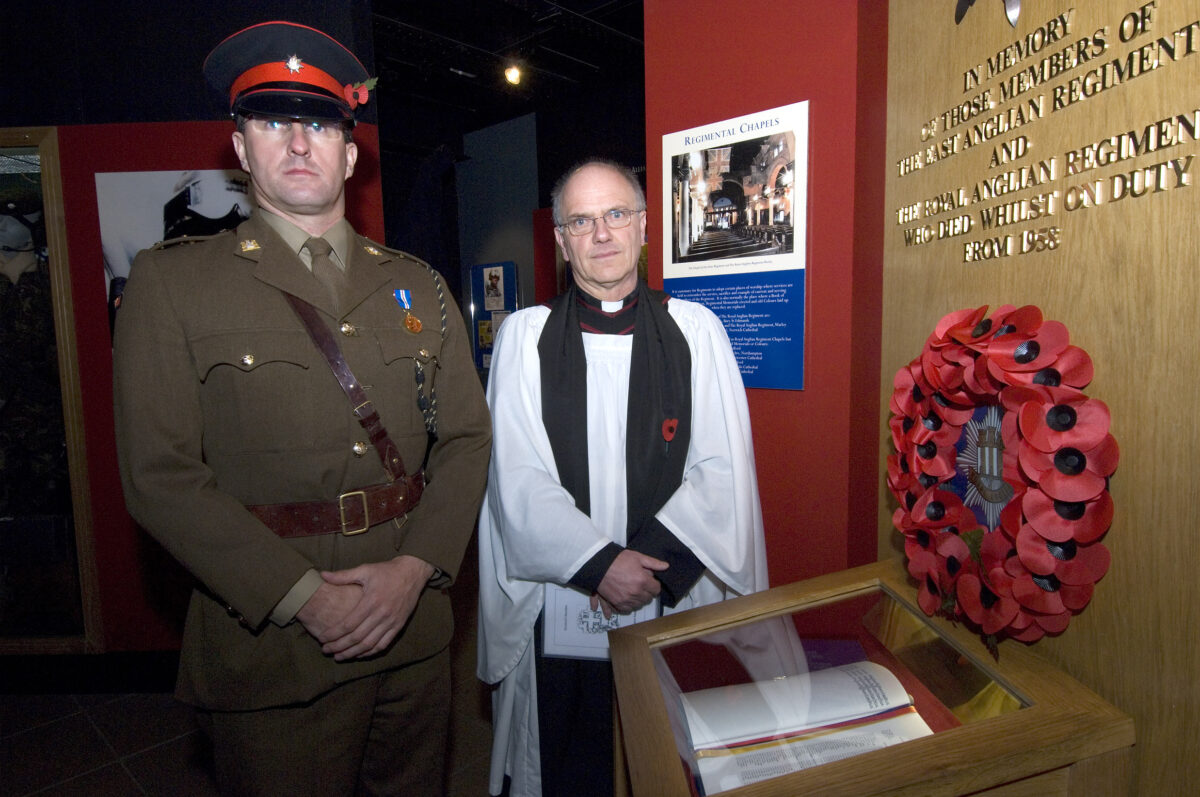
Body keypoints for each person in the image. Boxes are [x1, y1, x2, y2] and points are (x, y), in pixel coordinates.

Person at [112, 21, 491, 796]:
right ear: (241, 147)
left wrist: (415, 568)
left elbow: (466, 439)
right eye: (272, 121)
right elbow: (160, 475)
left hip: (412, 634)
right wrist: (302, 596)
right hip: (271, 649)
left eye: (318, 123)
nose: (297, 140)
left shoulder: (416, 284)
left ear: (349, 155)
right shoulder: (174, 283)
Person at [477, 159, 768, 796]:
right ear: (560, 239)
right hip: (562, 599)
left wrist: (644, 568)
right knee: (568, 764)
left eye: (615, 215)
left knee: (665, 759)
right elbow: (515, 477)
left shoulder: (696, 331)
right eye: (580, 220)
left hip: (670, 590)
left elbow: (723, 470)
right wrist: (600, 564)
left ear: (642, 226)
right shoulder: (525, 339)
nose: (601, 233)